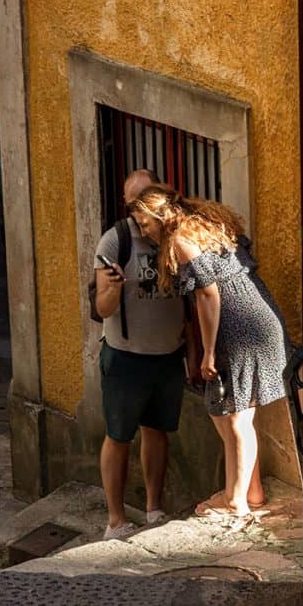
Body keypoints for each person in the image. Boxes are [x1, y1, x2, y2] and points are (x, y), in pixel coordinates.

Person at [130, 185, 291, 519]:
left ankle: (236, 501)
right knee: (236, 414)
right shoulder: (203, 223)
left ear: (160, 216)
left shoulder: (179, 241)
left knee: (233, 417)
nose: (143, 231)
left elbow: (208, 297)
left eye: (145, 223)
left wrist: (208, 352)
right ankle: (252, 491)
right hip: (260, 320)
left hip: (241, 329)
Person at [94, 169, 192, 540]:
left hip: (167, 354)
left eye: (144, 201)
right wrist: (114, 289)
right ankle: (115, 520)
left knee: (158, 431)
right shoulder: (114, 241)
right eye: (132, 203)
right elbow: (102, 308)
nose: (138, 211)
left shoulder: (174, 235)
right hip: (126, 356)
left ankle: (154, 509)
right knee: (119, 435)